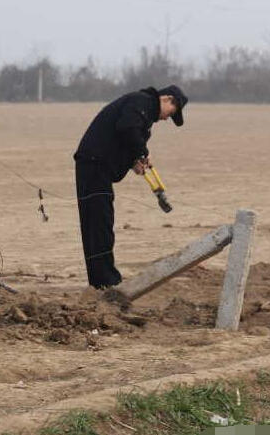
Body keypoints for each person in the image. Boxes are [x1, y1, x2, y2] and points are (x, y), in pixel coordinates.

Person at [74, 85, 188, 289]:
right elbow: (127, 127)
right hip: (94, 165)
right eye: (171, 113)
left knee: (96, 224)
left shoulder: (142, 116)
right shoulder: (142, 101)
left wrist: (134, 161)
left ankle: (100, 281)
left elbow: (122, 138)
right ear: (167, 99)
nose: (166, 119)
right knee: (99, 225)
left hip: (94, 166)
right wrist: (142, 152)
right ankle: (107, 282)